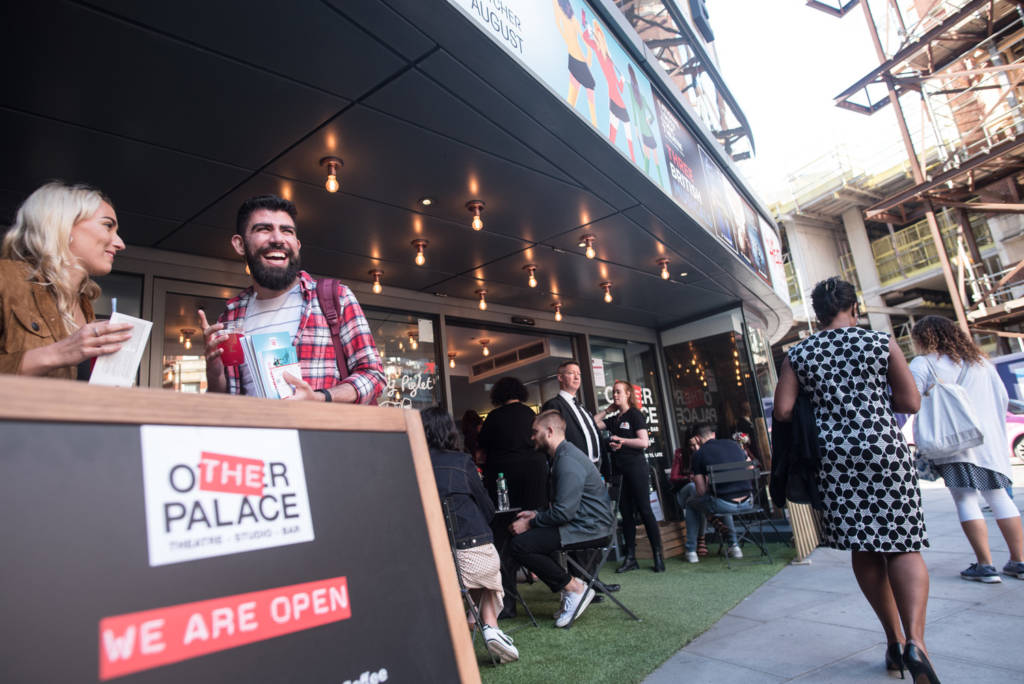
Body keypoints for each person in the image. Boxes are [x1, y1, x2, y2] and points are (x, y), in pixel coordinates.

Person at [774, 277, 936, 683]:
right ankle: (917, 643)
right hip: (883, 450)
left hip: (834, 461)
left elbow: (782, 411)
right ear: (854, 307)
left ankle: (893, 641)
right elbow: (910, 402)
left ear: (817, 313)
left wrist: (823, 405)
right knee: (903, 544)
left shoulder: (800, 353)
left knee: (864, 547)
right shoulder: (879, 342)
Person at [200, 195, 385, 403]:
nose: (278, 239)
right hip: (256, 434)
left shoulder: (336, 298)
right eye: (264, 229)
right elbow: (225, 399)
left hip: (322, 434)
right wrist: (215, 374)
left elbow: (373, 375)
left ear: (296, 244)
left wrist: (319, 397)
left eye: (286, 231)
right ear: (240, 244)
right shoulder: (230, 318)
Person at [909, 316, 1024, 583]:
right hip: (989, 443)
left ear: (923, 339)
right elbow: (1003, 399)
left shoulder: (924, 363)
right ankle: (1019, 561)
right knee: (999, 498)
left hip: (954, 445)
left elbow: (911, 400)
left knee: (965, 499)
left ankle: (985, 565)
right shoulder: (981, 362)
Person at [0, 181, 132, 379]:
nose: (120, 243)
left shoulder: (84, 307)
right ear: (63, 225)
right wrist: (58, 353)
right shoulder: (5, 277)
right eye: (107, 226)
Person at [421, 408, 519, 663]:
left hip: (433, 560)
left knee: (469, 578)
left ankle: (474, 621)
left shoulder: (412, 464)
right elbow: (487, 509)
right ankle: (490, 626)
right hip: (478, 556)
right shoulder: (462, 462)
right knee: (486, 577)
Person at [508, 410, 614, 628]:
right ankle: (571, 587)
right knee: (528, 541)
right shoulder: (564, 456)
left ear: (549, 431)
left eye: (534, 432)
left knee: (520, 545)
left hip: (590, 529)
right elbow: (563, 506)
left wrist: (529, 523)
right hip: (582, 524)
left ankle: (574, 588)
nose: (531, 437)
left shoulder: (567, 461)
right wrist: (537, 514)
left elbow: (564, 512)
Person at [596, 379, 664, 573]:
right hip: (619, 470)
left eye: (619, 392)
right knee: (625, 514)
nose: (615, 395)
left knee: (644, 510)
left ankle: (658, 556)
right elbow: (592, 422)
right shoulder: (615, 418)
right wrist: (608, 410)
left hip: (636, 468)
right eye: (614, 393)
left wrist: (622, 441)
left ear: (627, 394)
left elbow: (643, 442)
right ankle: (631, 558)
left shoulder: (635, 415)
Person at [680, 423, 752, 563]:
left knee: (691, 503)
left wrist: (710, 485)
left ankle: (691, 551)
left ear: (697, 438)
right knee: (723, 499)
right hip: (749, 501)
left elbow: (700, 491)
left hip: (724, 504)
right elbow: (750, 468)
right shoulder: (734, 445)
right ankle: (734, 546)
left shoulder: (699, 455)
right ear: (713, 435)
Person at [479, 377, 548, 510]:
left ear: (498, 394)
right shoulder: (530, 413)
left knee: (509, 514)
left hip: (504, 473)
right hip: (533, 470)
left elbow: (484, 444)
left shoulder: (494, 416)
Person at [542, 359, 602, 468]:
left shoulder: (581, 407)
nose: (577, 377)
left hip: (596, 467)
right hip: (574, 468)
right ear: (560, 378)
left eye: (578, 374)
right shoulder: (554, 405)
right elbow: (550, 441)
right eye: (571, 373)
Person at [551, 0, 597, 126]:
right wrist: (589, 58)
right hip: (579, 59)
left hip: (572, 58)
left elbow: (558, 24)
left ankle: (560, 121)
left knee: (571, 99)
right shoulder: (573, 19)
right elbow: (586, 44)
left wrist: (567, 40)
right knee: (590, 92)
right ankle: (595, 126)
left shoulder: (564, 16)